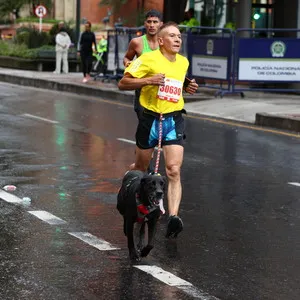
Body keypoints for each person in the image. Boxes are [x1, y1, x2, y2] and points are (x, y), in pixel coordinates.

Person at [118, 22, 198, 238]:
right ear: (161, 41)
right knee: (141, 169)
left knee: (173, 169)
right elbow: (123, 83)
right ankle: (131, 189)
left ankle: (173, 217)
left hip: (174, 118)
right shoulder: (148, 59)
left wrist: (186, 87)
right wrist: (148, 81)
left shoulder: (183, 62)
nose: (177, 39)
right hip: (150, 119)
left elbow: (174, 82)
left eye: (179, 36)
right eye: (172, 36)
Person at [123, 9, 163, 117]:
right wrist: (128, 64)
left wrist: (186, 84)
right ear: (145, 23)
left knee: (160, 129)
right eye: (149, 22)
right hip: (142, 89)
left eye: (155, 22)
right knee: (145, 126)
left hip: (161, 90)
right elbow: (126, 58)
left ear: (161, 24)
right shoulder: (136, 42)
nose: (151, 25)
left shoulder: (165, 43)